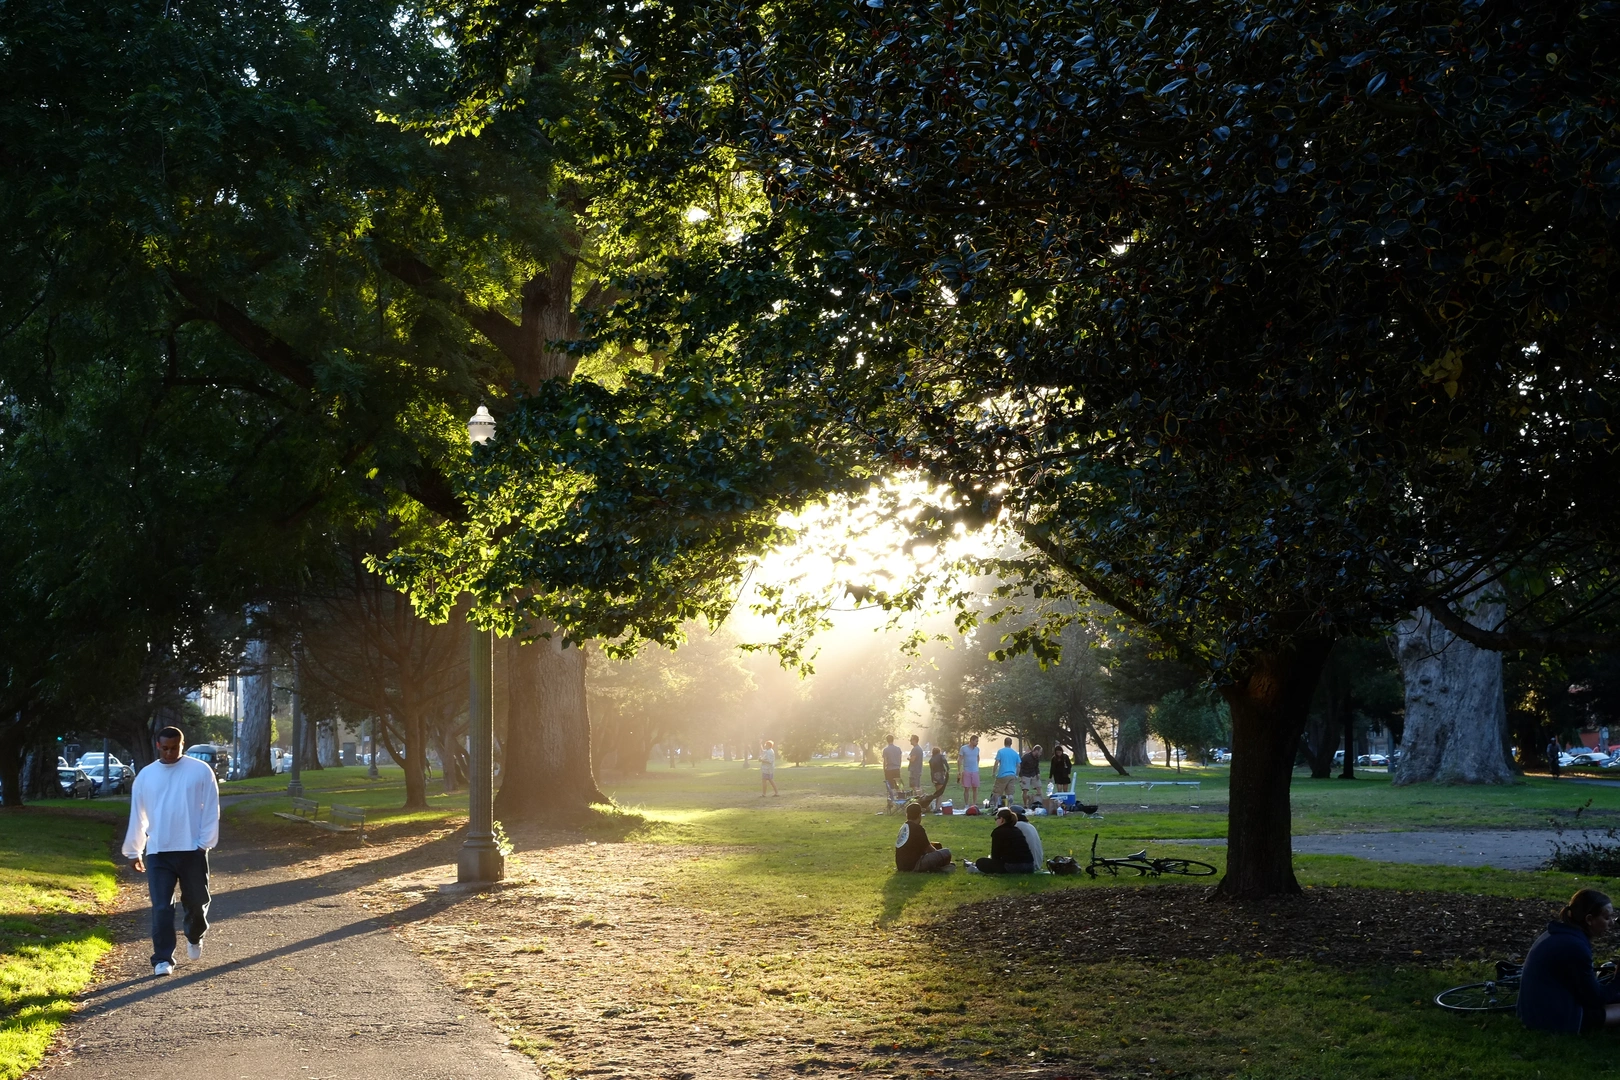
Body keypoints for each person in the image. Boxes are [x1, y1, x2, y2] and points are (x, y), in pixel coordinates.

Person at [123, 726, 220, 977]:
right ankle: (162, 958)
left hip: (191, 849)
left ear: (182, 745)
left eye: (174, 748)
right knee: (161, 908)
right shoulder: (146, 776)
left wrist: (203, 843)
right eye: (164, 748)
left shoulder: (200, 771)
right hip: (159, 851)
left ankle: (195, 935)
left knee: (196, 902)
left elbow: (211, 808)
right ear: (158, 746)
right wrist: (134, 850)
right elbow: (138, 815)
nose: (169, 752)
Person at [1518, 888, 1620, 1033]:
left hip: (1536, 1012)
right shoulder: (1575, 946)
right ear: (1589, 919)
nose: (1611, 923)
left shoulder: (1559, 934)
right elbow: (1595, 999)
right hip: (1552, 1019)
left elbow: (1587, 991)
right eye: (1606, 917)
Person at [973, 808, 1036, 873]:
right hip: (1029, 866)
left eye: (996, 818)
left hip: (1013, 866)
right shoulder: (1017, 830)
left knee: (980, 862)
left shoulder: (998, 832)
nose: (996, 821)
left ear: (1002, 819)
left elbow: (995, 856)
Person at [894, 802, 953, 872]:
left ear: (907, 814)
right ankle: (942, 867)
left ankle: (940, 867)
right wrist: (939, 856)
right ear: (919, 815)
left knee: (938, 845)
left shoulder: (904, 827)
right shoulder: (917, 828)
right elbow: (930, 849)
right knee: (946, 852)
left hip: (901, 865)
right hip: (914, 865)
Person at [991, 737, 1021, 808]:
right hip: (1012, 775)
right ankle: (1010, 807)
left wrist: (994, 772)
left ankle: (995, 806)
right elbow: (1019, 765)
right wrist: (1017, 775)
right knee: (1010, 793)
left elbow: (996, 763)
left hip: (1002, 775)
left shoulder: (1000, 751)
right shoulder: (1015, 753)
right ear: (1011, 743)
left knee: (997, 792)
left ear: (1004, 743)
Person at [919, 744, 951, 810]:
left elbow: (932, 770)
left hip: (934, 776)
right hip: (940, 776)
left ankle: (936, 807)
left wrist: (932, 779)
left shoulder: (931, 759)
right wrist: (948, 769)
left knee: (937, 792)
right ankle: (937, 808)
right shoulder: (940, 756)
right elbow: (945, 762)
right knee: (940, 793)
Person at [959, 735, 981, 809]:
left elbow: (978, 757)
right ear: (971, 741)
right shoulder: (964, 748)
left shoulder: (977, 749)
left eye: (977, 741)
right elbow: (960, 759)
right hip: (966, 771)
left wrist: (977, 766)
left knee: (975, 788)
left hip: (975, 771)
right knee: (967, 788)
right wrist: (959, 770)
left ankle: (974, 804)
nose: (977, 743)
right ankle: (966, 805)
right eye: (976, 741)